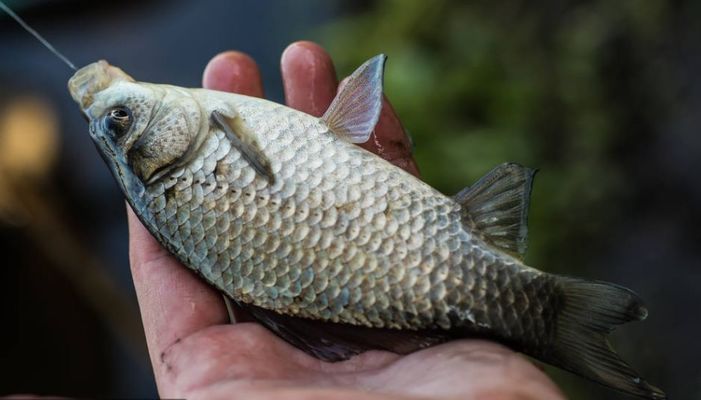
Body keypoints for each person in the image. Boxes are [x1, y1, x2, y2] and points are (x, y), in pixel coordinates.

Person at [127, 41, 565, 400]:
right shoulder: (205, 132)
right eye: (120, 121)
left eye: (119, 119)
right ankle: (546, 316)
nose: (122, 111)